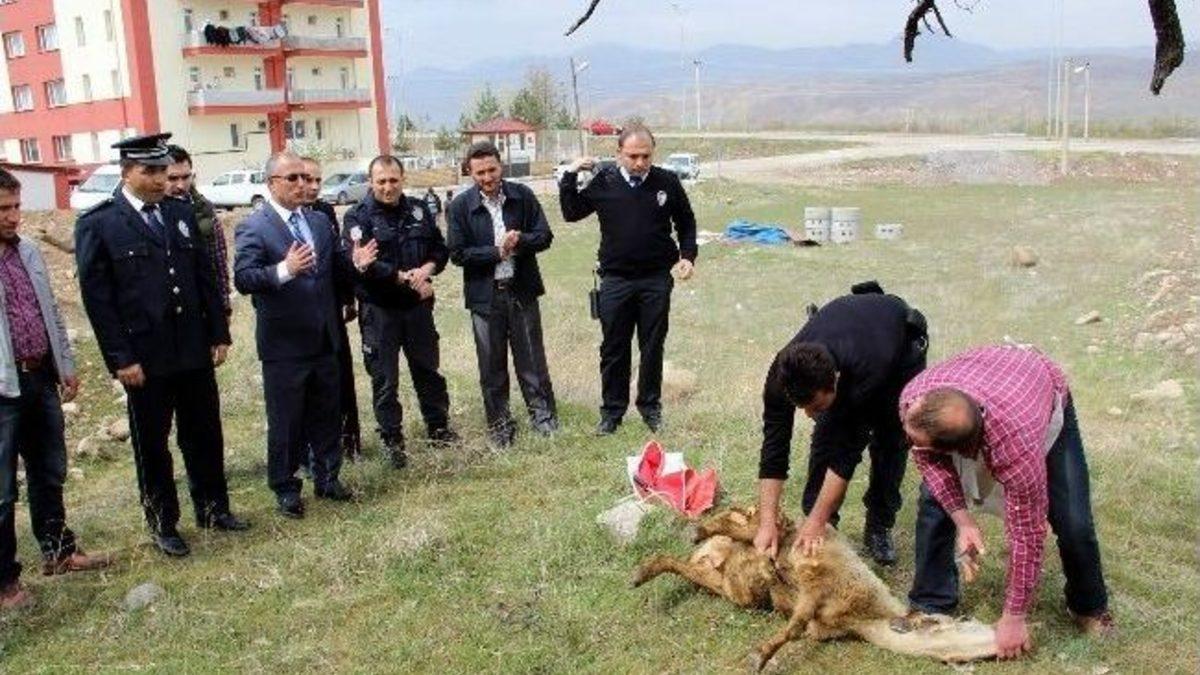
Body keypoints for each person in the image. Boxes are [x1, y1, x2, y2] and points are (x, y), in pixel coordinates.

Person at [75, 133, 247, 557]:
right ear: (126, 172)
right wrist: (121, 358)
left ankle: (213, 507)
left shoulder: (179, 213)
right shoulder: (100, 223)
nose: (159, 179)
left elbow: (204, 277)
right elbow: (99, 302)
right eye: (148, 171)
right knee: (152, 444)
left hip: (191, 348)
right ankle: (163, 522)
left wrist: (218, 333)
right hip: (144, 359)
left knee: (204, 433)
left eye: (162, 170)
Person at [901, 345, 1113, 659]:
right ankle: (931, 603)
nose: (910, 444)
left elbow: (1026, 533)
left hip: (1039, 391)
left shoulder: (1017, 445)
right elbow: (929, 463)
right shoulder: (914, 401)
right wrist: (963, 521)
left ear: (961, 450)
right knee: (934, 501)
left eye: (918, 442)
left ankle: (1089, 606)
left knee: (1073, 520)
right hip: (995, 377)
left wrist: (1014, 617)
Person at [233, 152, 376, 518]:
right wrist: (284, 269)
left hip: (324, 337)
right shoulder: (255, 227)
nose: (302, 184)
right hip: (284, 344)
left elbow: (337, 270)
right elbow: (245, 278)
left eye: (304, 177)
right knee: (286, 421)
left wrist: (356, 265)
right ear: (272, 184)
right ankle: (286, 488)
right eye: (292, 178)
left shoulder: (318, 221)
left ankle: (328, 478)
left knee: (327, 413)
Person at [754, 286, 928, 567]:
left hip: (898, 350)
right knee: (826, 432)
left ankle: (879, 524)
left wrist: (816, 521)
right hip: (851, 331)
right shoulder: (781, 374)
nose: (808, 415)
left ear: (835, 379)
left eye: (816, 406)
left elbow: (846, 455)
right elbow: (774, 448)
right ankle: (823, 523)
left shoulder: (867, 371)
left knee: (890, 439)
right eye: (803, 407)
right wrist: (767, 522)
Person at [1, 168, 110, 611]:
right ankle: (5, 582)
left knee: (49, 470)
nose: (13, 217)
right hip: (3, 389)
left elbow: (49, 311)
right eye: (3, 209)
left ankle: (59, 551)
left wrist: (65, 364)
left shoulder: (27, 251)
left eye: (16, 207)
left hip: (40, 377)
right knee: (3, 491)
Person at [559, 124, 697, 435]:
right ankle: (612, 413)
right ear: (619, 153)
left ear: (653, 153)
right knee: (614, 348)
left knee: (652, 346)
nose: (639, 162)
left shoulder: (667, 182)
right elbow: (571, 212)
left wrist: (687, 256)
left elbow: (686, 222)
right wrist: (570, 174)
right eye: (633, 156)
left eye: (645, 156)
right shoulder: (604, 181)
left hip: (656, 279)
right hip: (615, 280)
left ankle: (650, 409)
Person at [341, 155, 457, 468]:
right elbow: (362, 264)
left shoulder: (418, 210)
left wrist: (426, 269)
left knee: (428, 371)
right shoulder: (357, 217)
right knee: (385, 379)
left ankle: (439, 428)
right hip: (380, 311)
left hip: (417, 308)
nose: (388, 187)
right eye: (381, 181)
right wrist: (404, 278)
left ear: (402, 179)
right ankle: (392, 441)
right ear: (371, 182)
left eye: (393, 180)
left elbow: (439, 249)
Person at [447, 141, 558, 448]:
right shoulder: (460, 206)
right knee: (491, 366)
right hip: (485, 298)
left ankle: (543, 418)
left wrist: (520, 240)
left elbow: (545, 236)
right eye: (480, 172)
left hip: (522, 291)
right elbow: (457, 253)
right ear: (470, 173)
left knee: (532, 361)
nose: (487, 177)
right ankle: (500, 427)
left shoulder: (522, 196)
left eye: (492, 170)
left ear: (501, 166)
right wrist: (496, 252)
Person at [301, 156, 362, 460]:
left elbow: (337, 260)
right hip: (298, 316)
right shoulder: (271, 220)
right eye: (306, 180)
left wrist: (348, 297)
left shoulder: (324, 212)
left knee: (340, 373)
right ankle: (307, 449)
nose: (313, 187)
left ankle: (348, 441)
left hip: (330, 306)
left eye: (317, 180)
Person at [164, 145, 230, 319]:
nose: (180, 185)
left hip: (201, 306)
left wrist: (224, 307)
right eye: (172, 178)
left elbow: (218, 262)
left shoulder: (204, 209)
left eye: (186, 177)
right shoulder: (150, 214)